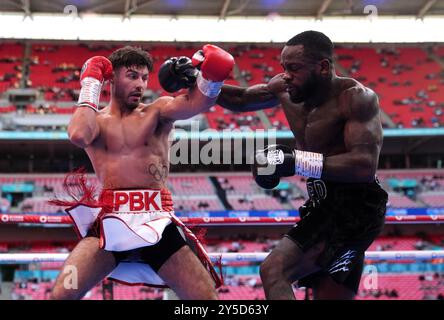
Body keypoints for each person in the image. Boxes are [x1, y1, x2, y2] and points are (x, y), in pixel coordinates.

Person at [50, 45, 234, 300]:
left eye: (144, 77)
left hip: (157, 222)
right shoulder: (96, 122)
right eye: (132, 76)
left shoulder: (157, 111)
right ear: (112, 78)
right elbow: (79, 134)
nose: (140, 84)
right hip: (110, 223)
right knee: (61, 295)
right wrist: (91, 82)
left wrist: (211, 76)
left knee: (206, 300)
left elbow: (198, 102)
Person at [216, 31, 388, 300]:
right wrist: (201, 83)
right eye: (284, 67)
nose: (285, 75)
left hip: (356, 205)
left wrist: (297, 161)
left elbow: (364, 166)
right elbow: (241, 99)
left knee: (274, 271)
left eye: (294, 68)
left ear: (323, 67)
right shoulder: (285, 87)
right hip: (322, 201)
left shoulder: (355, 98)